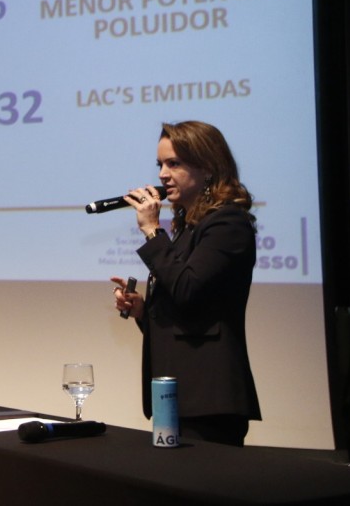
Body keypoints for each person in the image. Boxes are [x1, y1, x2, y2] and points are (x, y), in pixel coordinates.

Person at [111, 120, 261, 446]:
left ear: (207, 168)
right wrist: (143, 310)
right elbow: (188, 308)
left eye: (174, 163)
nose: (163, 175)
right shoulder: (188, 228)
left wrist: (152, 231)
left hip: (209, 397)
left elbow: (188, 289)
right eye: (160, 165)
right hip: (177, 395)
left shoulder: (227, 223)